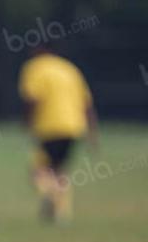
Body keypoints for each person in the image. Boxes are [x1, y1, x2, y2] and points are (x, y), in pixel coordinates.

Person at [18, 44, 98, 223]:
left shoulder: (35, 67)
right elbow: (86, 103)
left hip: (48, 126)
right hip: (74, 126)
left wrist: (26, 121)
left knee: (38, 171)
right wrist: (93, 133)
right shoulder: (69, 69)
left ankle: (50, 194)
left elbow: (32, 98)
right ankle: (61, 213)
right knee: (59, 170)